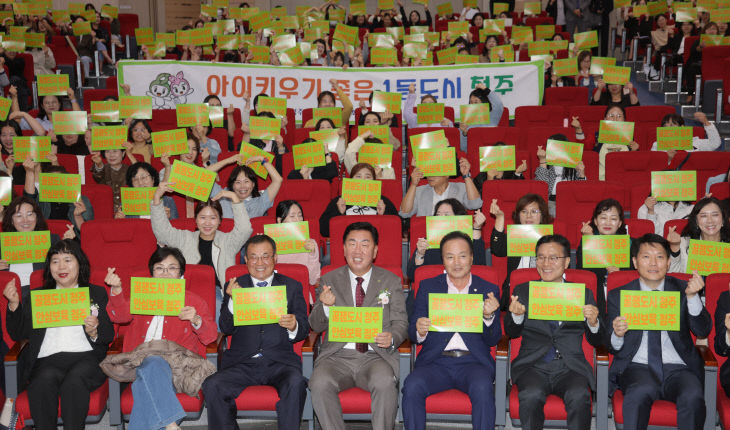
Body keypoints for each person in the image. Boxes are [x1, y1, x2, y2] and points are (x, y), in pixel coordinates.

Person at [3, 239, 114, 429]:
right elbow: (18, 333)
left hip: (86, 357)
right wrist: (14, 304)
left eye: (68, 260)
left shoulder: (95, 293)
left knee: (74, 381)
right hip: (47, 359)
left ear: (80, 263)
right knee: (42, 380)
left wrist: (94, 331)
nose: (61, 266)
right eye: (55, 261)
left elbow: (108, 335)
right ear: (49, 267)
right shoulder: (38, 296)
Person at [203, 234, 310, 429]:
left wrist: (294, 325)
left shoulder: (292, 286)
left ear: (275, 258)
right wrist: (233, 301)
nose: (259, 262)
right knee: (212, 385)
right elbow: (226, 328)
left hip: (279, 362)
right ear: (246, 260)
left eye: (265, 256)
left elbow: (303, 328)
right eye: (253, 257)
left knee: (295, 383)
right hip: (242, 362)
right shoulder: (234, 285)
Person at [309, 221, 408, 429]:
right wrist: (325, 307)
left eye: (365, 244)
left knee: (384, 383)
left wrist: (392, 337)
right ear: (344, 249)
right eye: (352, 244)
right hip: (337, 357)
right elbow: (316, 326)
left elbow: (400, 321)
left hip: (375, 356)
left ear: (375, 250)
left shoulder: (390, 280)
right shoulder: (329, 279)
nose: (358, 250)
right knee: (319, 383)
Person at [104, 247, 217, 430]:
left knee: (147, 378)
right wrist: (116, 291)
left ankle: (170, 424)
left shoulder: (193, 301)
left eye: (172, 268)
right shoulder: (141, 296)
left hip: (178, 367)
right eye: (159, 268)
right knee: (152, 364)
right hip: (139, 362)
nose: (165, 273)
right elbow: (118, 316)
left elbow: (211, 336)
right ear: (152, 273)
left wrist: (196, 320)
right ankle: (170, 424)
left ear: (181, 273)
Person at [608, 233, 711, 429]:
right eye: (646, 257)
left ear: (668, 263)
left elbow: (703, 330)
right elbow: (612, 346)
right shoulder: (619, 295)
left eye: (660, 257)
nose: (653, 263)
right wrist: (618, 334)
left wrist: (692, 298)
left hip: (679, 367)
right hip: (637, 366)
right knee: (638, 394)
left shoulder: (684, 289)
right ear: (635, 262)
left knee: (693, 396)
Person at [402, 231, 501, 429]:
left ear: (472, 258)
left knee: (482, 387)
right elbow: (412, 330)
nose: (457, 262)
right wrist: (420, 330)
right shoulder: (428, 287)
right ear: (443, 260)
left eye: (462, 256)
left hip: (473, 362)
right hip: (436, 362)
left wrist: (488, 317)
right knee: (412, 385)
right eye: (450, 257)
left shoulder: (487, 289)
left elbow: (493, 339)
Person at [504, 234, 604, 430]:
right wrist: (516, 316)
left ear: (567, 261)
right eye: (540, 257)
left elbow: (598, 339)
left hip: (570, 365)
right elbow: (511, 331)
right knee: (531, 395)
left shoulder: (582, 293)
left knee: (579, 396)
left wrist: (593, 322)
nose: (546, 263)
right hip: (533, 364)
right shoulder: (524, 290)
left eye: (553, 258)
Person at [150, 183, 252, 323]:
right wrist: (157, 197)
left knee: (214, 301)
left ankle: (213, 342)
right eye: (203, 217)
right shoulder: (185, 238)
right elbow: (162, 231)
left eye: (213, 218)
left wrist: (234, 197)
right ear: (196, 220)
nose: (207, 223)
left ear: (220, 221)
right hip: (186, 292)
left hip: (216, 294)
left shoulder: (228, 241)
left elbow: (245, 230)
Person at [489, 194, 554, 310]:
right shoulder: (515, 236)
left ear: (542, 215)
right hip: (514, 293)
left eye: (534, 211)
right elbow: (497, 249)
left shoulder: (552, 241)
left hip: (543, 293)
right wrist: (499, 218)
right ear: (518, 215)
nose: (528, 216)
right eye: (524, 211)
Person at [406, 198, 487, 281]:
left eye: (446, 215)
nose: (441, 218)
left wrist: (476, 228)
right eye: (438, 215)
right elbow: (412, 275)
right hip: (433, 289)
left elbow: (480, 268)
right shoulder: (427, 242)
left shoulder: (467, 242)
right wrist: (420, 254)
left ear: (458, 218)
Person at [576, 198, 630, 317]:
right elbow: (582, 272)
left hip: (621, 298)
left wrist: (620, 273)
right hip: (595, 297)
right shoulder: (586, 241)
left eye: (613, 219)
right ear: (595, 221)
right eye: (603, 218)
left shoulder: (629, 244)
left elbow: (634, 274)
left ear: (620, 223)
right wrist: (589, 242)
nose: (608, 223)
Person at [0, 195, 68, 290]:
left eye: (30, 214)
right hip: (10, 294)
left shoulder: (52, 240)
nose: (25, 220)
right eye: (19, 215)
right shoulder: (2, 244)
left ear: (37, 217)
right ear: (11, 220)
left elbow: (66, 271)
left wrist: (68, 245)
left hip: (42, 293)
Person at [319, 163, 400, 237]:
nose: (363, 180)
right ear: (351, 180)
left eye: (368, 177)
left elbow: (397, 231)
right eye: (358, 176)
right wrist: (339, 213)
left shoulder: (382, 201)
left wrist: (382, 215)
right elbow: (324, 230)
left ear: (374, 181)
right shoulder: (340, 201)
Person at [399, 159, 482, 219]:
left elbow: (476, 204)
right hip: (427, 236)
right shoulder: (419, 191)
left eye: (434, 173)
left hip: (454, 235)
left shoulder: (461, 188)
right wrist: (413, 185)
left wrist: (466, 176)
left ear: (447, 174)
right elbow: (404, 213)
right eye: (428, 173)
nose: (430, 176)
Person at [207, 155, 284, 218]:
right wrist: (228, 160)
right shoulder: (222, 195)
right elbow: (203, 174)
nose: (242, 186)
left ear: (253, 184)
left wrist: (261, 159)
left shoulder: (260, 201)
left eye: (246, 181)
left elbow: (278, 180)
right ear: (232, 185)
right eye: (238, 182)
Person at [668, 196, 730, 274]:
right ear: (696, 221)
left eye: (715, 215)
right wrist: (675, 249)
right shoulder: (683, 243)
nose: (710, 221)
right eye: (704, 216)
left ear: (723, 219)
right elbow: (673, 277)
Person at [272, 200, 321, 286]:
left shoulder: (310, 243)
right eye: (292, 216)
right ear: (280, 220)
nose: (298, 219)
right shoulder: (270, 244)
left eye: (300, 215)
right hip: (277, 291)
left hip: (301, 292)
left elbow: (313, 280)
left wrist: (312, 254)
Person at [649, 112, 721, 163]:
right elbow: (653, 164)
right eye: (665, 126)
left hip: (692, 177)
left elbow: (715, 143)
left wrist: (706, 122)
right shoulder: (657, 145)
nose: (668, 129)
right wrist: (667, 159)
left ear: (682, 127)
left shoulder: (695, 142)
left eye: (672, 125)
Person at [458, 84, 504, 152]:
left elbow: (498, 105)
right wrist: (464, 134)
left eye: (476, 102)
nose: (473, 105)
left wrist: (486, 90)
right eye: (471, 102)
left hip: (493, 155)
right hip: (475, 156)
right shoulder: (466, 122)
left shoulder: (492, 116)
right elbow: (464, 149)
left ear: (484, 101)